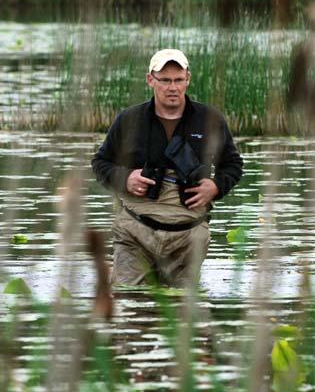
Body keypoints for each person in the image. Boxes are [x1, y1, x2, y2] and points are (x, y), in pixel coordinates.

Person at [92, 48, 243, 286]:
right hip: (135, 234)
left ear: (188, 79)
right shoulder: (129, 119)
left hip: (189, 236)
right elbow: (100, 163)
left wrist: (215, 187)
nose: (172, 87)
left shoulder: (210, 119)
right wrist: (126, 178)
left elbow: (233, 165)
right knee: (130, 305)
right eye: (165, 80)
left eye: (178, 80)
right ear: (150, 80)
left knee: (182, 313)